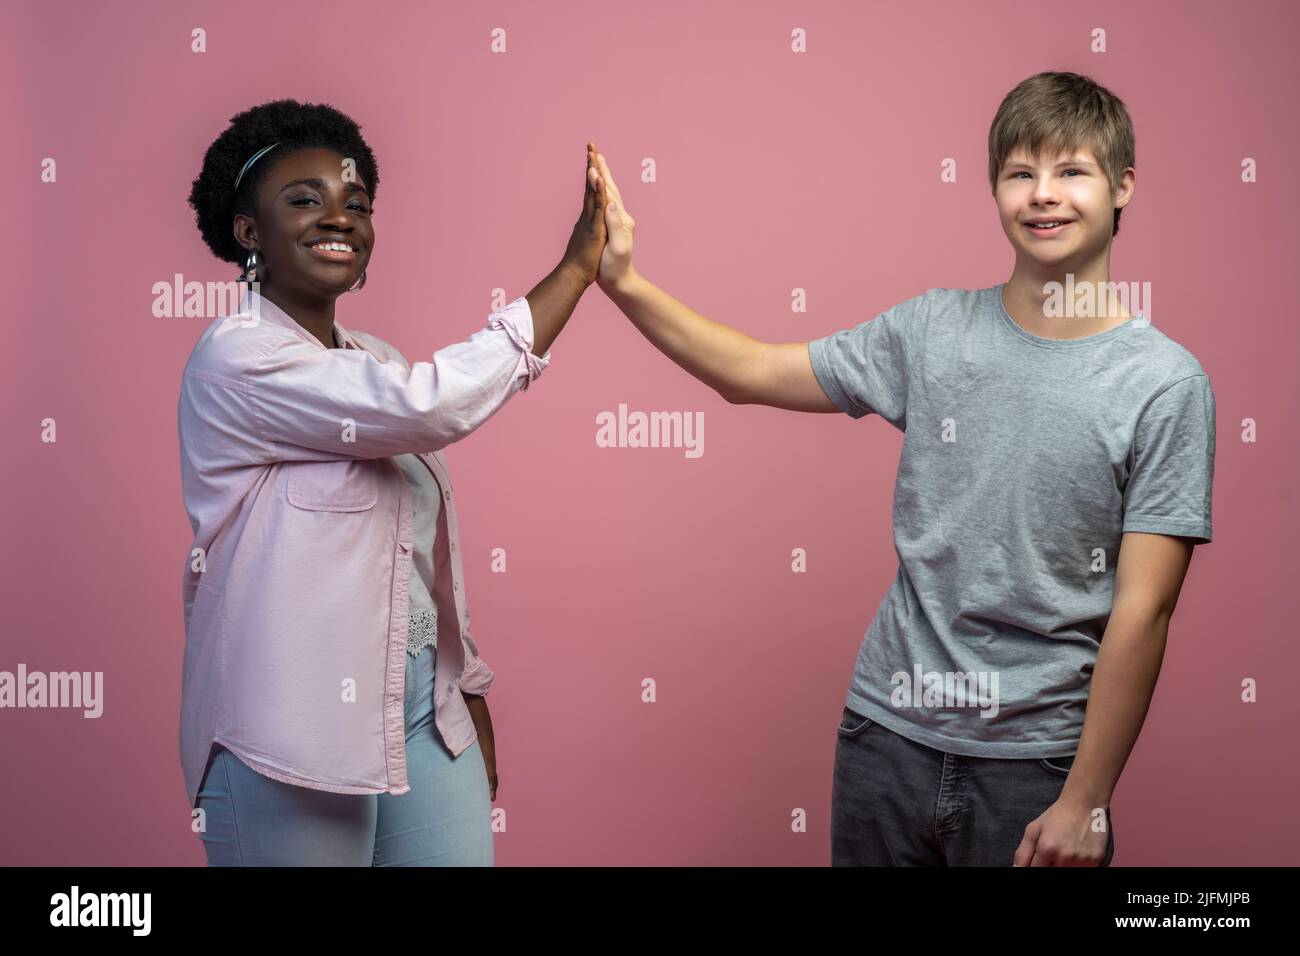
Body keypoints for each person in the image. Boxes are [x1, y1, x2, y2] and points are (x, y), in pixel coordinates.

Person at [592, 71, 1215, 866]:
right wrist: (624, 282)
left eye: (1072, 171)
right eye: (1020, 173)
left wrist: (1087, 801)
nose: (1043, 195)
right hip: (885, 738)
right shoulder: (931, 331)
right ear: (994, 188)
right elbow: (748, 372)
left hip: (1039, 767)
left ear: (1122, 185)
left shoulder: (1164, 383)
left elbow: (1144, 609)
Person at [178, 98, 608, 865]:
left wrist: (464, 684)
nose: (337, 217)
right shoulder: (237, 358)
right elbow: (434, 406)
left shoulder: (374, 357)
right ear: (249, 233)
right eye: (304, 199)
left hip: (422, 712)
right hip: (291, 723)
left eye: (356, 203)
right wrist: (575, 270)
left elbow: (418, 545)